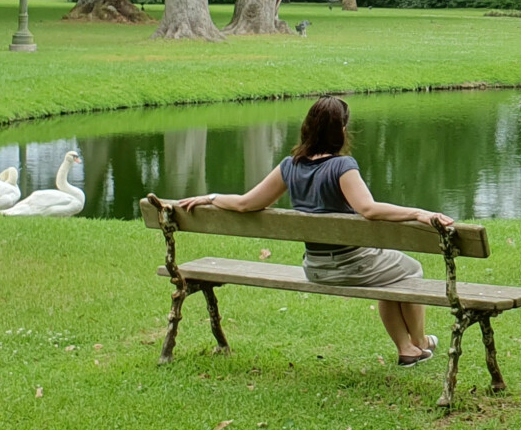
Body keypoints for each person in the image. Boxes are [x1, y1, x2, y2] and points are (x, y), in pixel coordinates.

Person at [176, 95, 455, 366]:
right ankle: (419, 342)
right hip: (352, 266)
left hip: (315, 268)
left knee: (389, 276)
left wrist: (211, 197)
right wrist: (419, 213)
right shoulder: (342, 166)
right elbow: (367, 209)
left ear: (307, 127)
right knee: (411, 270)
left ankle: (407, 349)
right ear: (341, 131)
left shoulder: (290, 166)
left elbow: (247, 203)